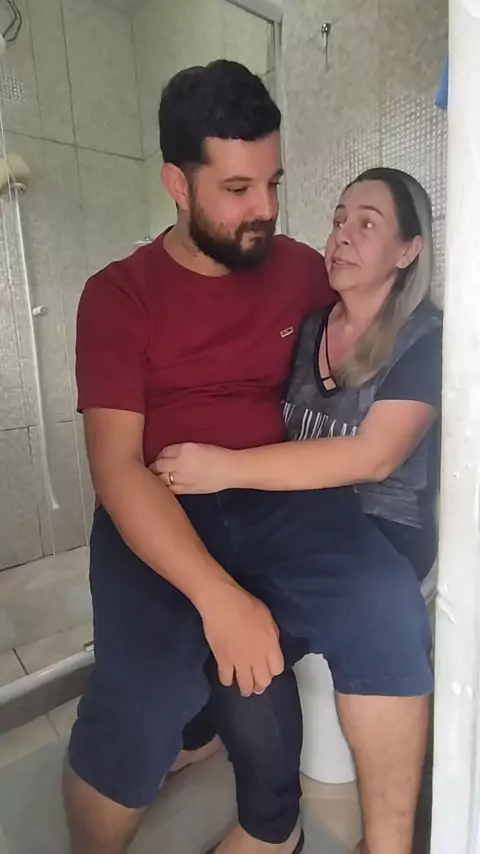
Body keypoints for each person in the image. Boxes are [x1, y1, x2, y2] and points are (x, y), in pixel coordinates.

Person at [67, 59, 433, 854]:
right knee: (143, 694)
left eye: (273, 183)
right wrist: (217, 597)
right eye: (237, 189)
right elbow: (116, 469)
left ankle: (388, 844)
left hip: (275, 497)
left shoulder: (298, 268)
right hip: (160, 500)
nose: (265, 210)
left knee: (385, 604)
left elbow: (385, 315)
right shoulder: (119, 296)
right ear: (177, 183)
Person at [151, 166, 443, 854]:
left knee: (375, 613)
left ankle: (388, 841)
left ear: (408, 250)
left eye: (367, 223)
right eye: (339, 219)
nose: (342, 235)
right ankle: (268, 819)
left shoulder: (425, 340)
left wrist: (223, 467)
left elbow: (374, 457)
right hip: (298, 519)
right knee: (226, 625)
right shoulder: (308, 328)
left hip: (381, 526)